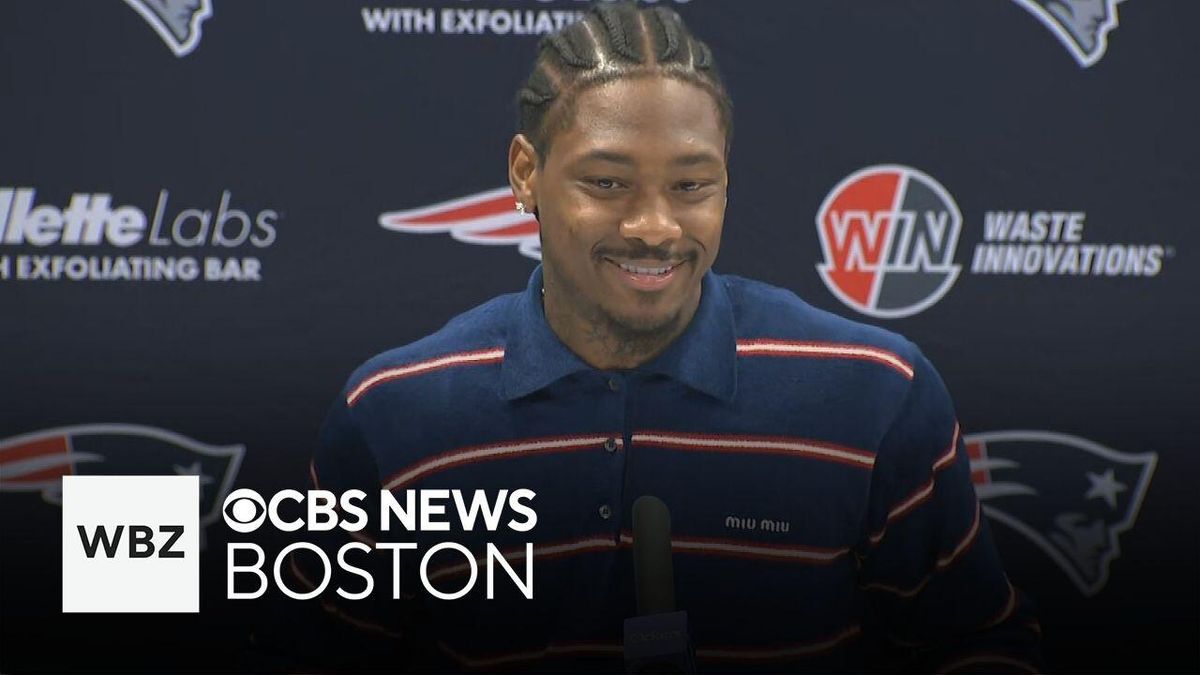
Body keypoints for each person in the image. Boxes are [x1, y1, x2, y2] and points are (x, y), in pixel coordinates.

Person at [307, 3, 1043, 672]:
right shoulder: (393, 415)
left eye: (691, 185)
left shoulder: (877, 392)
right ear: (527, 173)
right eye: (607, 182)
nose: (655, 226)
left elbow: (977, 645)